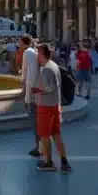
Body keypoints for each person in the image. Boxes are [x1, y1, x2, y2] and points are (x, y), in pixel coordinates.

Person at [31, 43, 70, 172]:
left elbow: (49, 88)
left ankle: (49, 162)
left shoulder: (46, 69)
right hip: (55, 104)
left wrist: (37, 90)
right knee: (56, 134)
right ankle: (64, 161)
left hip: (46, 106)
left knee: (44, 135)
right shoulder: (54, 66)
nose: (37, 56)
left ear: (42, 53)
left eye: (38, 53)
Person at [18, 35, 40, 158]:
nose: (18, 44)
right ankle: (40, 146)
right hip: (36, 90)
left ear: (24, 43)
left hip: (31, 90)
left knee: (34, 120)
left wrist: (26, 92)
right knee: (37, 121)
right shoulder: (34, 52)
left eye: (19, 42)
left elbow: (27, 73)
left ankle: (38, 147)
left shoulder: (27, 52)